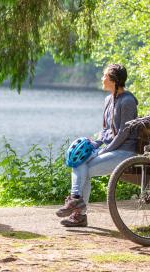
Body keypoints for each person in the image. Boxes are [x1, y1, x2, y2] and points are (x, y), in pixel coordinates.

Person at [56, 63, 138, 227]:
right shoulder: (108, 99)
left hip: (124, 152)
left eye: (105, 76)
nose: (102, 79)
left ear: (113, 80)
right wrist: (95, 144)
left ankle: (78, 210)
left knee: (84, 169)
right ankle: (77, 203)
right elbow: (106, 129)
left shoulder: (128, 101)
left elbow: (124, 133)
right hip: (110, 149)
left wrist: (105, 150)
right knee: (79, 160)